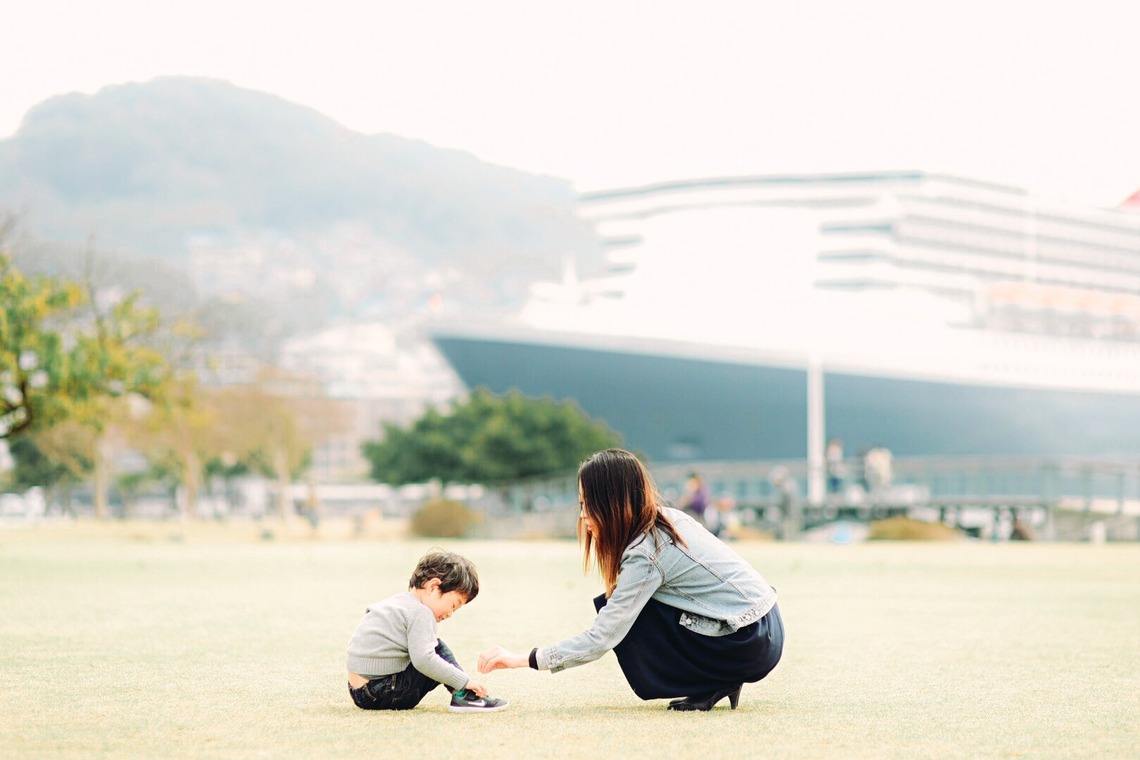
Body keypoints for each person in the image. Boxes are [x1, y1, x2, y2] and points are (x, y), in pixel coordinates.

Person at [478, 448, 783, 711]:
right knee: (621, 601)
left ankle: (715, 677)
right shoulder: (665, 519)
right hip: (763, 627)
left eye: (588, 505)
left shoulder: (646, 552)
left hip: (747, 640)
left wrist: (523, 659)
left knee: (625, 610)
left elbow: (602, 638)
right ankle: (718, 680)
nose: (583, 516)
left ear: (609, 502)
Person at [346, 549, 508, 713]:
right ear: (434, 586)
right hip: (381, 692)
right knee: (436, 649)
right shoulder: (420, 612)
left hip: (358, 691)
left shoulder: (398, 603)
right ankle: (465, 695)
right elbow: (424, 660)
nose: (450, 614)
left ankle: (463, 693)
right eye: (453, 605)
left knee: (428, 650)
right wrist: (464, 681)